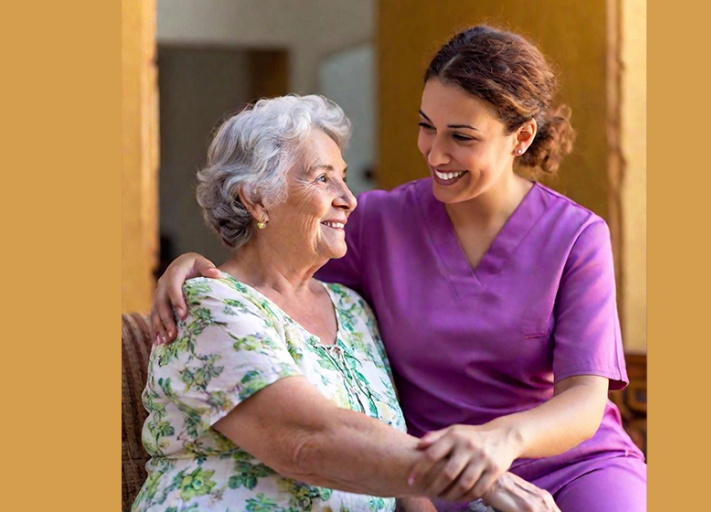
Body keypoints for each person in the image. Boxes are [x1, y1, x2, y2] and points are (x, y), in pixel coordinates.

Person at [151, 26, 647, 512]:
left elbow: (584, 400)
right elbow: (275, 278)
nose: (435, 152)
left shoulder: (577, 235)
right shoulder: (375, 223)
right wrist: (194, 265)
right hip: (430, 468)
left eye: (461, 136)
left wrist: (497, 443)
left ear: (520, 138)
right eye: (426, 125)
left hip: (566, 460)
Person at [132, 94, 558, 512]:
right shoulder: (208, 306)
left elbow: (396, 467)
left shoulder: (352, 309)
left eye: (344, 176)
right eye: (322, 178)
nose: (349, 198)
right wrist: (482, 478)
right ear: (255, 198)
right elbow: (307, 440)